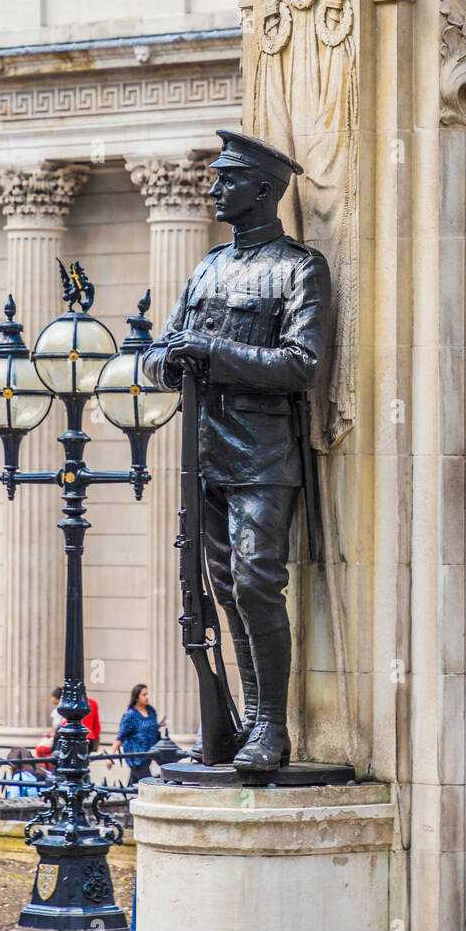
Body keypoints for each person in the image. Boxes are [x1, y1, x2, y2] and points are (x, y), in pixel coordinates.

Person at [143, 130, 330, 773]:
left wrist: (212, 355)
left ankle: (271, 727)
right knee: (222, 589)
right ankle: (248, 723)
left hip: (262, 454)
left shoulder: (300, 267)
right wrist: (170, 360)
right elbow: (155, 359)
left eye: (227, 180)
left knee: (255, 585)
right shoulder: (206, 267)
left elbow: (301, 364)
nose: (214, 188)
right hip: (204, 455)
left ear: (262, 191)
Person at [108, 684, 160, 786]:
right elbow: (120, 737)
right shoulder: (130, 715)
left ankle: (128, 799)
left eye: (147, 694)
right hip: (136, 756)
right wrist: (110, 757)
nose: (147, 697)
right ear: (136, 697)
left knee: (135, 785)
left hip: (148, 755)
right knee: (147, 784)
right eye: (144, 695)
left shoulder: (151, 710)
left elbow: (150, 728)